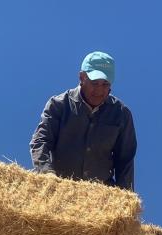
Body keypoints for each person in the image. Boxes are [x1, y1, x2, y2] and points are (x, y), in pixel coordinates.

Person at [30, 51, 137, 190]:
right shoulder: (59, 105)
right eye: (94, 83)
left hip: (100, 195)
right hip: (60, 189)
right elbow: (40, 141)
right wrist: (47, 175)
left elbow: (125, 160)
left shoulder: (121, 114)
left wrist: (124, 197)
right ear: (82, 77)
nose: (99, 90)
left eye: (105, 84)